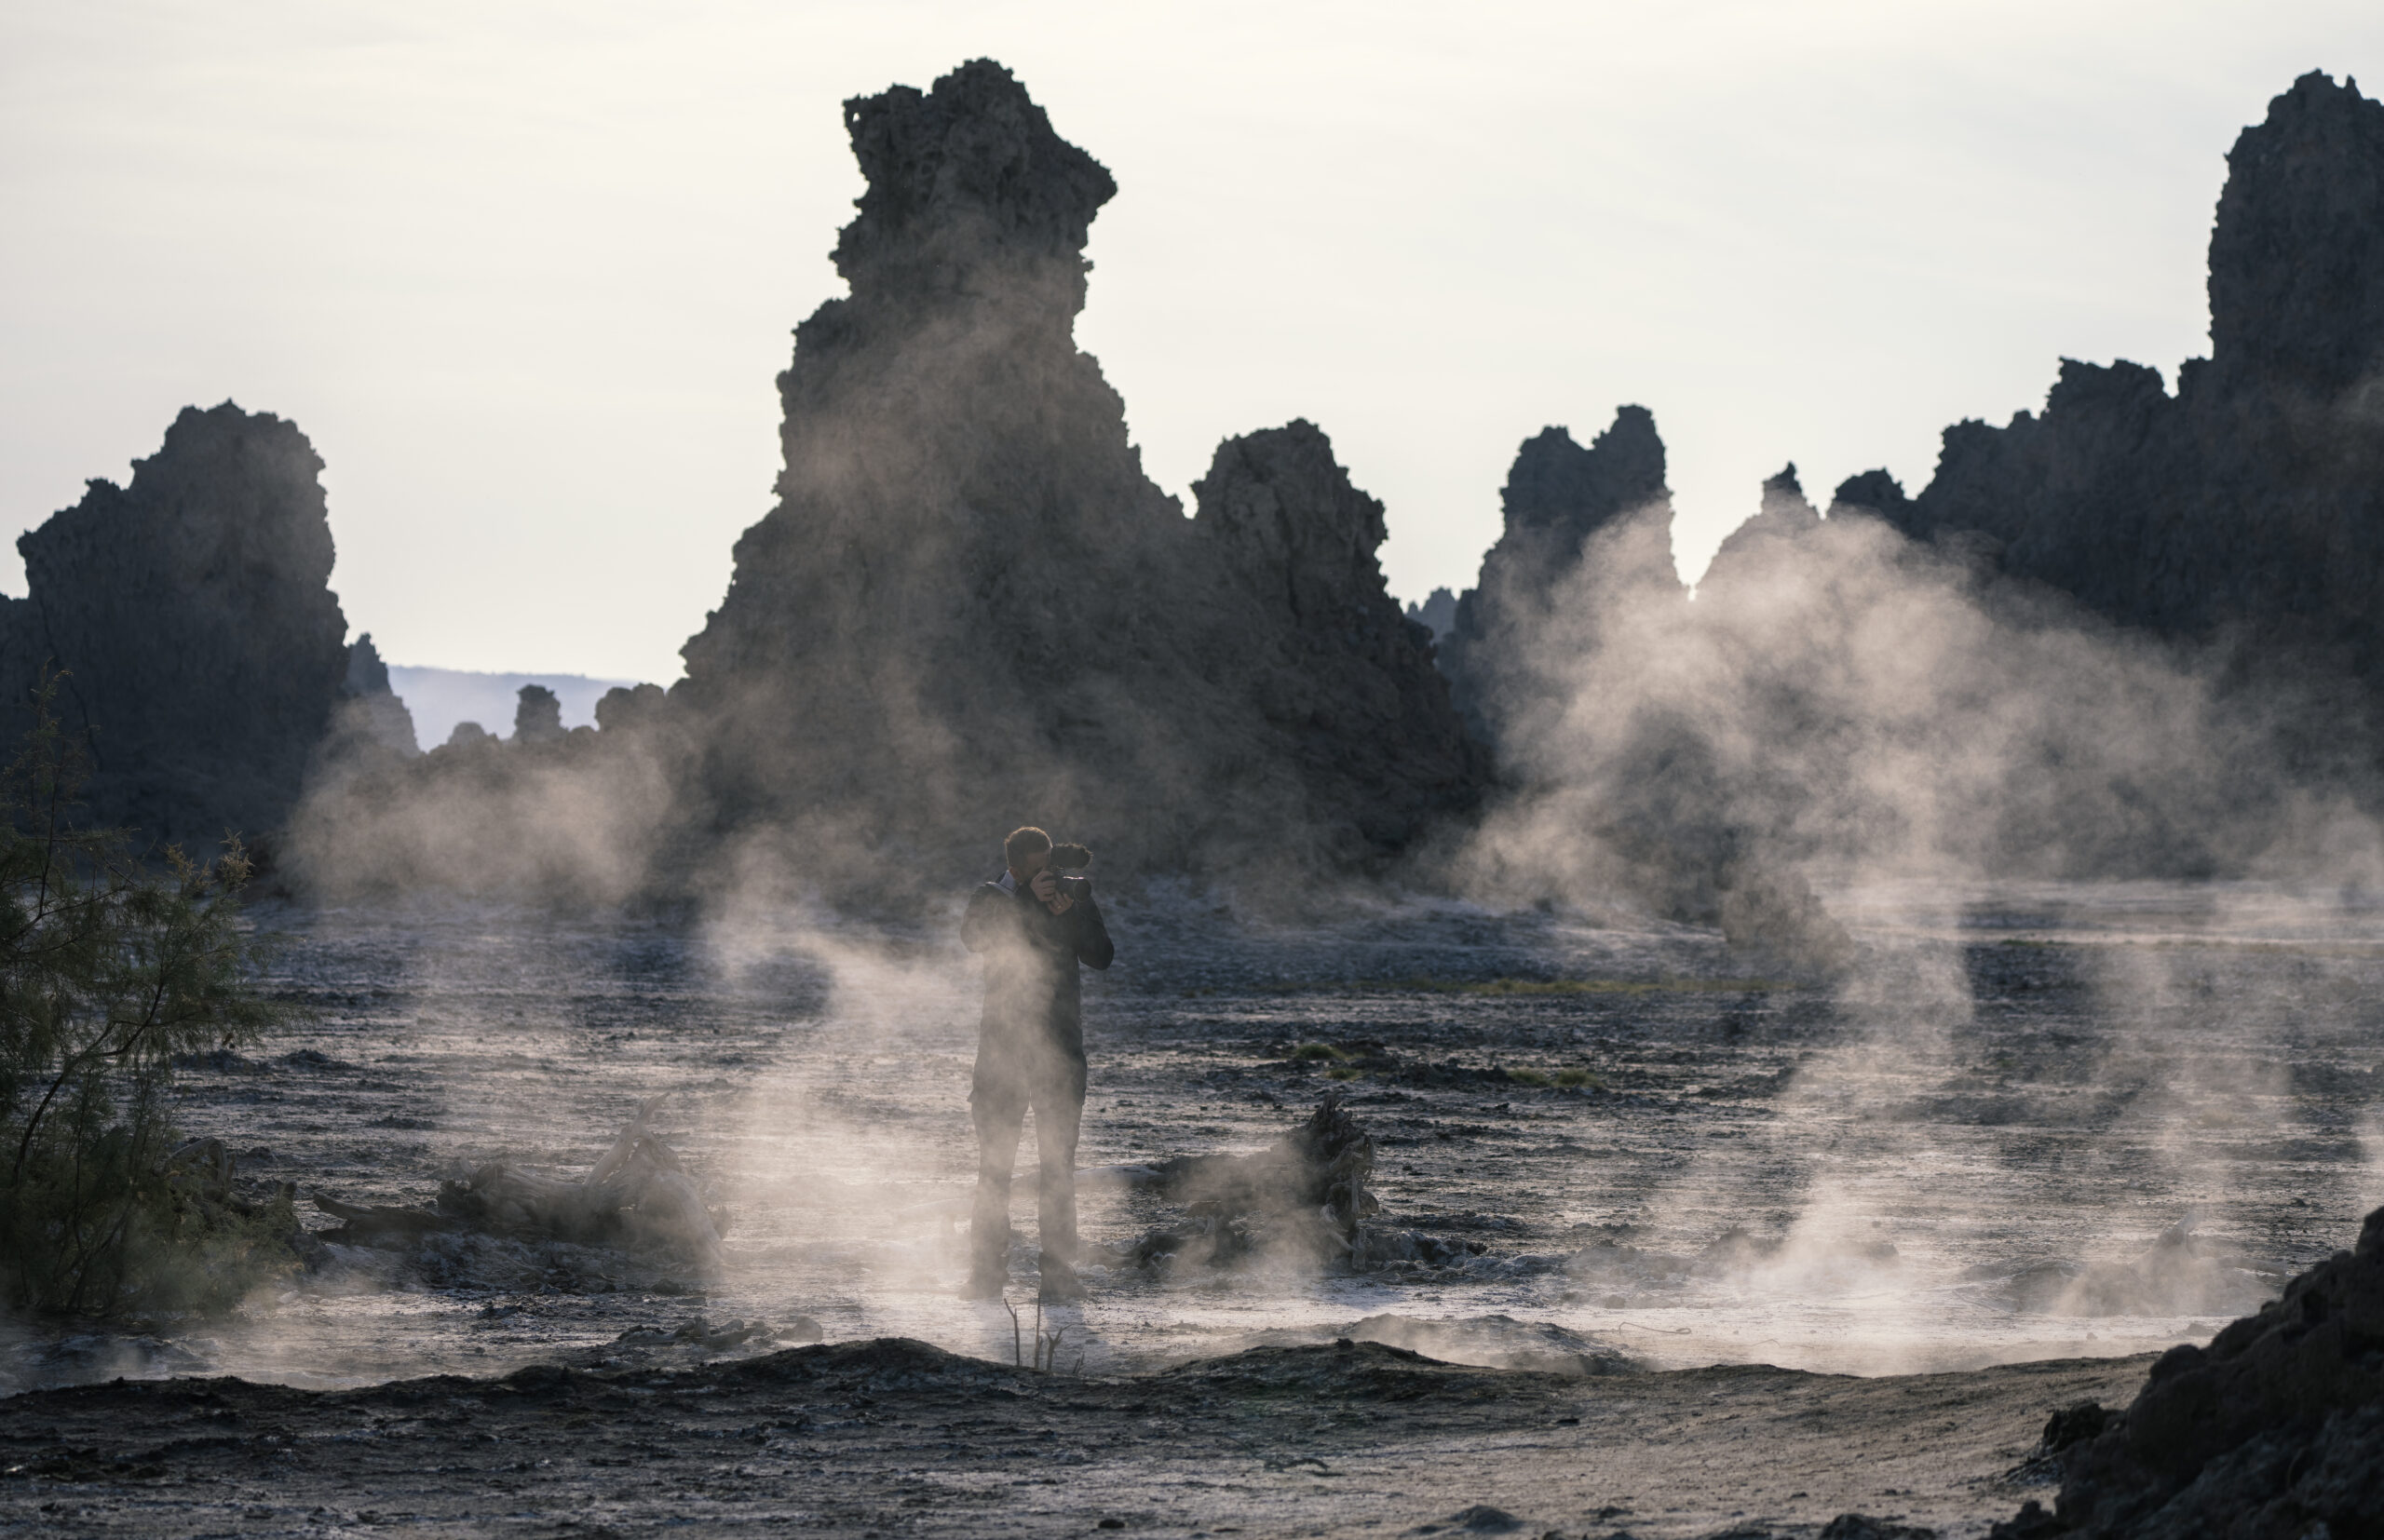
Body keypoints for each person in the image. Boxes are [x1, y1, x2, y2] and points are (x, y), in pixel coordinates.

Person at [959, 825, 1115, 1302]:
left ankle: (1059, 1275)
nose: (1050, 876)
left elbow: (1102, 956)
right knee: (995, 1167)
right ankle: (986, 1275)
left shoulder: (1065, 897)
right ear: (1016, 869)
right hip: (1003, 1053)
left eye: (1052, 866)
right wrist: (1028, 901)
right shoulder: (993, 897)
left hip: (1060, 1052)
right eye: (1038, 870)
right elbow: (976, 937)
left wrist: (1071, 913)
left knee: (1058, 1167)